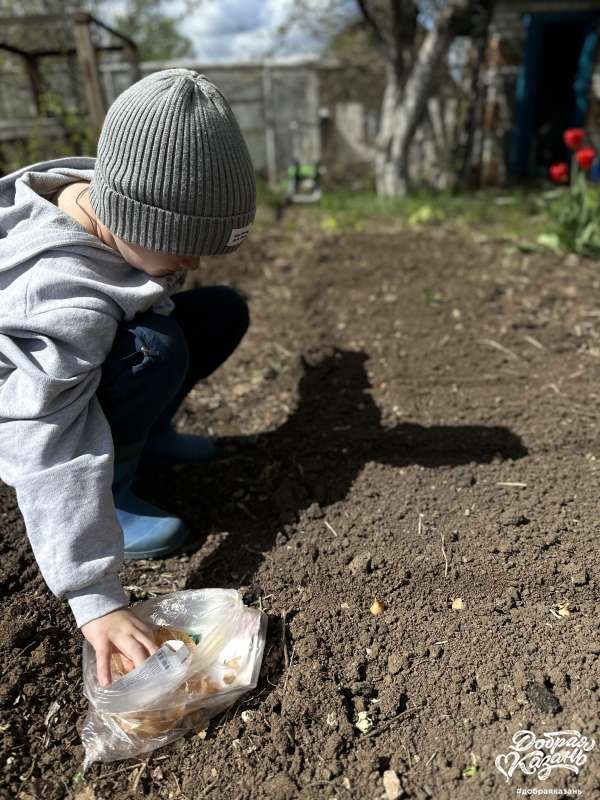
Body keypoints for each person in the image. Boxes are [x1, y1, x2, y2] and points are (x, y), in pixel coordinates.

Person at [0, 69, 256, 686]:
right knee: (154, 348)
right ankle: (113, 488)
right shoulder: (59, 294)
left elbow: (156, 276)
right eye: (180, 246)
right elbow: (43, 431)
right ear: (130, 217)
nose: (189, 262)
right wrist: (96, 597)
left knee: (218, 311)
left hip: (87, 351)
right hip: (34, 404)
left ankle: (146, 434)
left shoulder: (112, 199)